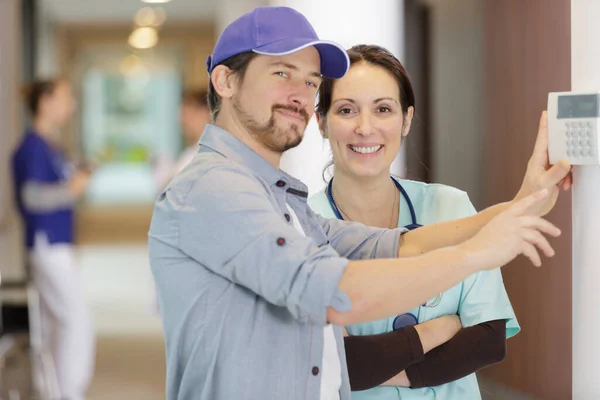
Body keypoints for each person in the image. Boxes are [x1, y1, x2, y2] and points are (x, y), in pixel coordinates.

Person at [147, 6, 571, 400]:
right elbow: (335, 293)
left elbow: (393, 244)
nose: (300, 92)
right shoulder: (213, 190)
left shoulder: (278, 198)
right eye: (282, 72)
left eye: (311, 81)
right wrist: (471, 260)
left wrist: (528, 199)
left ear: (407, 119)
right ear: (225, 81)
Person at [308, 44, 519, 399]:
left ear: (406, 120)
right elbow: (340, 363)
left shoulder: (450, 207)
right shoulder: (302, 224)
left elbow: (487, 340)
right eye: (346, 110)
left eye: (383, 109)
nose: (365, 128)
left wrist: (375, 361)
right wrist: (439, 331)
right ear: (322, 123)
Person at [11, 79, 96, 400]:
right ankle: (68, 393)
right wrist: (70, 190)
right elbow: (32, 197)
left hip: (56, 243)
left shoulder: (49, 145)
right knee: (76, 321)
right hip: (47, 243)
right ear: (45, 102)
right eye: (65, 97)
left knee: (55, 322)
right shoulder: (33, 146)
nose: (71, 105)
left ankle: (53, 391)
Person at [153, 89, 211, 191]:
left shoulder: (211, 154)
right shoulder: (190, 153)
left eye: (188, 113)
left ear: (205, 112)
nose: (183, 120)